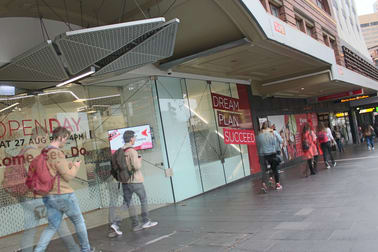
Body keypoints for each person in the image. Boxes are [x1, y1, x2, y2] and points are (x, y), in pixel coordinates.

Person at [34, 127, 97, 252]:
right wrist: (75, 166)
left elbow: (53, 169)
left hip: (49, 195)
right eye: (65, 139)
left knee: (51, 227)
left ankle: (38, 251)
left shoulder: (44, 152)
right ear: (60, 137)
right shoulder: (57, 152)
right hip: (63, 194)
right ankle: (86, 249)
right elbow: (68, 176)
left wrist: (67, 165)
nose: (65, 142)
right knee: (79, 221)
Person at [18, 128, 79, 252]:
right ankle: (75, 249)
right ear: (38, 137)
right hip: (39, 196)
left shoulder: (23, 150)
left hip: (28, 195)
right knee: (58, 225)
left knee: (30, 230)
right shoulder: (34, 152)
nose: (46, 141)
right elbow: (45, 175)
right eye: (45, 138)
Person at [110, 130, 158, 235]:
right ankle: (146, 221)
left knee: (126, 203)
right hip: (135, 181)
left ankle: (117, 223)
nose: (135, 139)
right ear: (131, 138)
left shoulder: (121, 150)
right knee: (143, 199)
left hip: (125, 182)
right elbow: (136, 167)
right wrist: (139, 160)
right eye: (134, 137)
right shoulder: (132, 151)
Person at [257, 121, 283, 192]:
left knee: (264, 171)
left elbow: (258, 145)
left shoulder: (259, 134)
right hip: (271, 154)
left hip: (262, 155)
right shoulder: (272, 132)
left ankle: (263, 185)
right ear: (270, 126)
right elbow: (277, 142)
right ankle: (277, 184)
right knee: (275, 169)